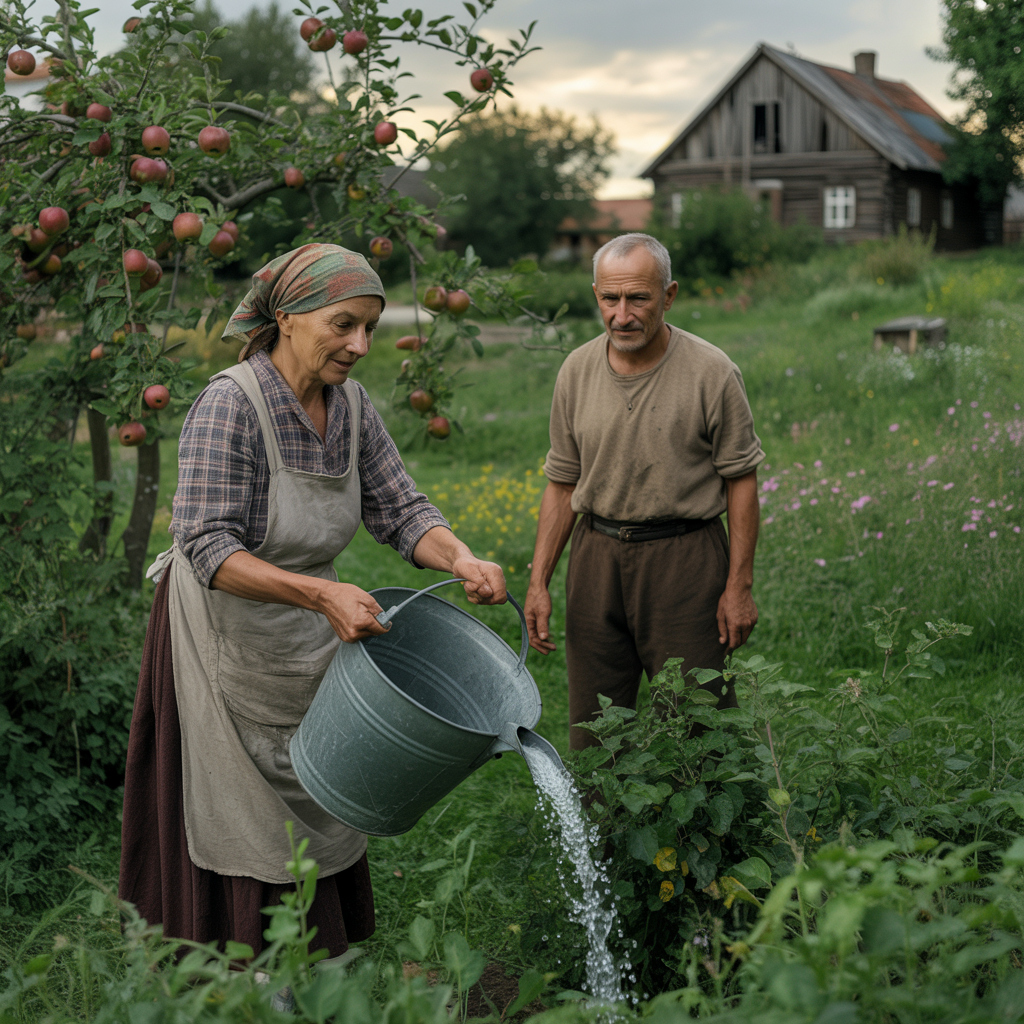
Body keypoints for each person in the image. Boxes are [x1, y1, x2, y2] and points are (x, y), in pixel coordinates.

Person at [119, 243, 506, 959]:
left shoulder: (350, 406)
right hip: (218, 635)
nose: (360, 346)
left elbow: (400, 508)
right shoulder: (229, 405)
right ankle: (241, 971)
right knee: (240, 807)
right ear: (289, 318)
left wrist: (461, 557)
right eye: (343, 325)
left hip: (303, 627)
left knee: (318, 783)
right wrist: (322, 592)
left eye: (370, 328)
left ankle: (311, 965)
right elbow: (206, 545)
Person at [523, 233, 764, 750]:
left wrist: (738, 587)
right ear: (596, 295)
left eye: (638, 298)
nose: (622, 315)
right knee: (597, 728)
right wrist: (539, 581)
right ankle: (600, 808)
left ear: (669, 295)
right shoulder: (576, 371)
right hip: (596, 558)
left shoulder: (712, 372)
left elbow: (741, 480)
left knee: (700, 723)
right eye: (610, 299)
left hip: (685, 560)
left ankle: (711, 808)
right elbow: (562, 483)